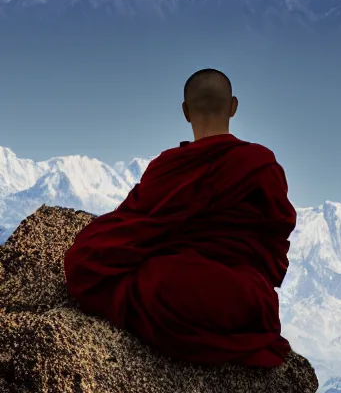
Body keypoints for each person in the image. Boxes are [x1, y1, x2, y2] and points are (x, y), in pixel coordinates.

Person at [64, 68, 297, 367]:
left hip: (178, 289)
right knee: (185, 280)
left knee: (115, 266)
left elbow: (133, 226)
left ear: (185, 111)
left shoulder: (169, 166)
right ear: (234, 106)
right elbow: (275, 243)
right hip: (245, 302)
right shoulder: (261, 165)